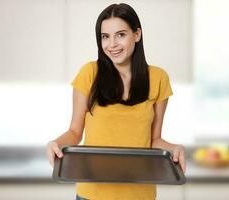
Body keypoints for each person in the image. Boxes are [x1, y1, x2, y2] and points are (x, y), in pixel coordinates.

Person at [46, 3, 186, 200]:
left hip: (139, 193)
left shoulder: (158, 78)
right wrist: (56, 143)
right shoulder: (89, 73)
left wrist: (174, 148)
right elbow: (75, 132)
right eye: (105, 36)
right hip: (92, 194)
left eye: (120, 34)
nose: (111, 44)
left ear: (137, 35)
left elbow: (154, 140)